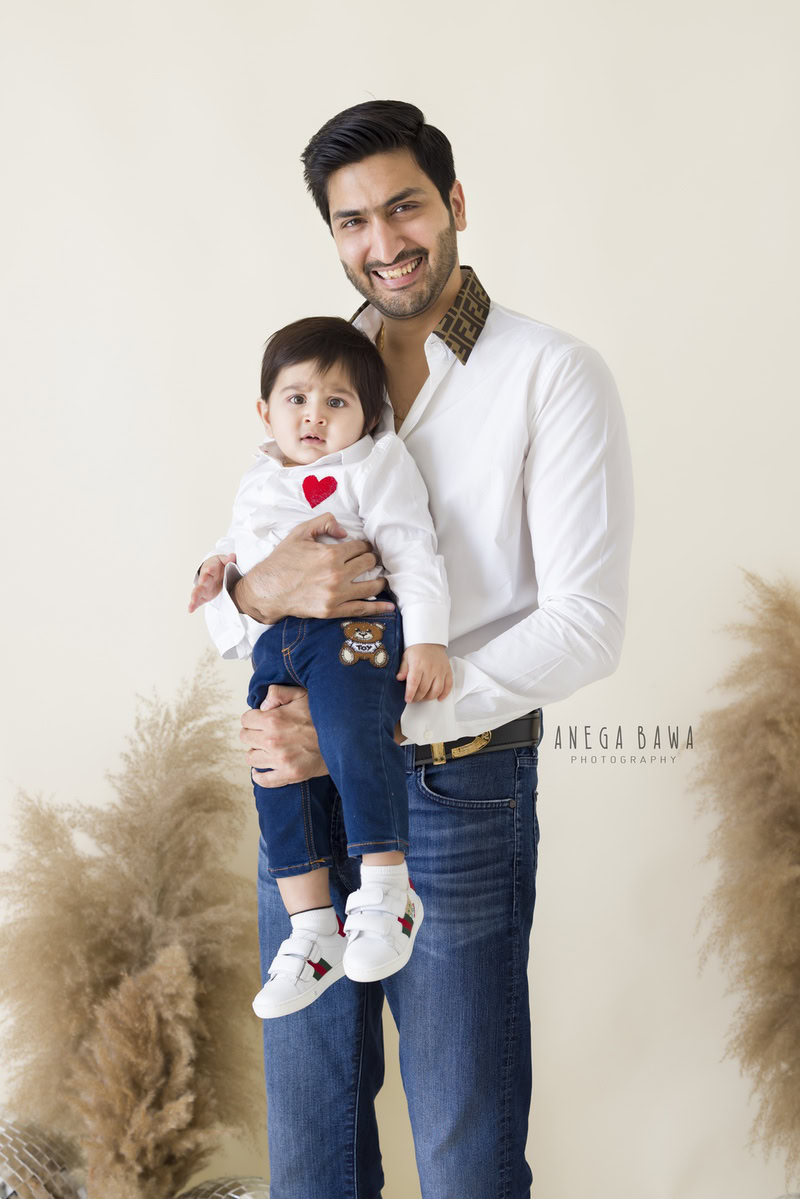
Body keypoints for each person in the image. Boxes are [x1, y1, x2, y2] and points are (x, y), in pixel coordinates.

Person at [201, 100, 634, 1199]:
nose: (382, 241)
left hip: (455, 784)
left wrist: (378, 725)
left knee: (461, 1144)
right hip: (297, 776)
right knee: (309, 1147)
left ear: (451, 203)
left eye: (403, 206)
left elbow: (584, 623)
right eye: (352, 220)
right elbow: (250, 571)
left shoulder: (551, 374)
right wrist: (250, 593)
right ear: (332, 234)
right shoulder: (315, 379)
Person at [190, 315, 452, 1019]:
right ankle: (312, 930)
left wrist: (426, 640)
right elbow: (242, 542)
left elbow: (413, 552)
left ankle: (387, 891)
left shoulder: (374, 462)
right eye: (297, 398)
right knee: (275, 770)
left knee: (349, 731)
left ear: (369, 415)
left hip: (354, 629)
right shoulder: (260, 473)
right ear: (264, 410)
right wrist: (221, 570)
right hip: (277, 641)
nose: (313, 415)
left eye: (337, 402)